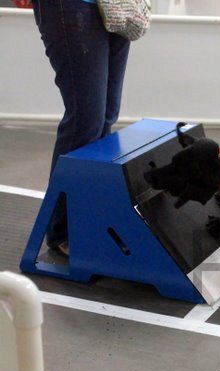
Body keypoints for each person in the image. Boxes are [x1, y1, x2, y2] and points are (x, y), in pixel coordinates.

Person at [30, 0, 131, 257]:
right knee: (85, 121)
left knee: (105, 116)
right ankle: (62, 229)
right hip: (70, 6)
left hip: (115, 5)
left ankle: (87, 220)